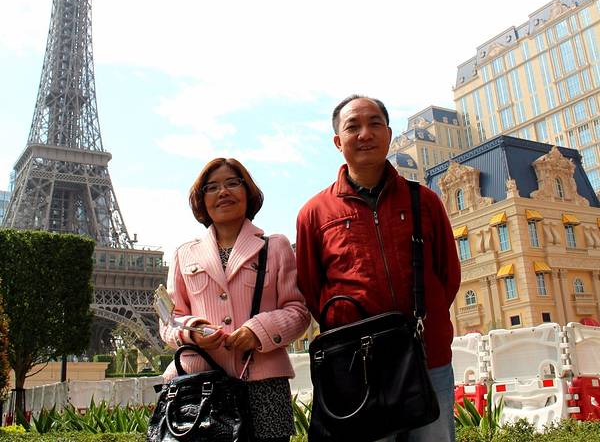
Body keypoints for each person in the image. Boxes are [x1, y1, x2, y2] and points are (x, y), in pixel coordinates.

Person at [295, 95, 461, 442]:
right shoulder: (314, 213)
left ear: (388, 133)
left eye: (374, 124)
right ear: (338, 141)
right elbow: (311, 289)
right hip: (356, 368)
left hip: (426, 358)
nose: (365, 134)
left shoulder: (424, 200)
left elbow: (448, 275)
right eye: (352, 127)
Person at [161, 157, 311, 442]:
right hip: (200, 384)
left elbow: (298, 312)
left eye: (232, 183)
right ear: (201, 199)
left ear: (248, 192)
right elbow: (169, 321)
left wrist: (259, 331)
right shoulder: (184, 254)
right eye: (212, 187)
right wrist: (193, 330)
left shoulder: (275, 246)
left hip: (264, 385)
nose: (223, 192)